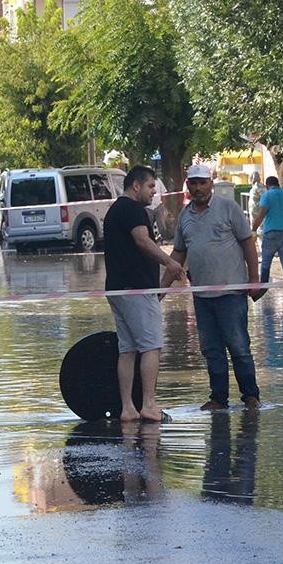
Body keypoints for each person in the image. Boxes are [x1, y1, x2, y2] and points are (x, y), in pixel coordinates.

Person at [167, 164, 264, 411]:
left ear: (210, 183)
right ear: (187, 186)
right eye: (193, 183)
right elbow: (177, 254)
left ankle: (251, 396)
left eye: (202, 182)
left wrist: (254, 279)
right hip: (201, 296)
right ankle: (218, 399)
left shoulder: (228, 208)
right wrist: (159, 291)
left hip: (231, 294)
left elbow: (248, 243)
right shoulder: (184, 216)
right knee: (211, 349)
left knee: (239, 346)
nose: (198, 188)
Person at [104, 165, 185, 422]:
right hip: (136, 290)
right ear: (136, 186)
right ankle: (149, 404)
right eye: (151, 186)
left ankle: (128, 408)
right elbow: (142, 240)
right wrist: (169, 263)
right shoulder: (133, 210)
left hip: (117, 289)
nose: (154, 193)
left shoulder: (115, 210)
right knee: (151, 346)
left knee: (127, 348)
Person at [252, 175, 283, 284]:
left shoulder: (266, 196)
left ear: (267, 186)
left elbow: (261, 214)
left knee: (266, 263)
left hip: (270, 234)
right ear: (278, 184)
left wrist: (253, 229)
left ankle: (264, 287)